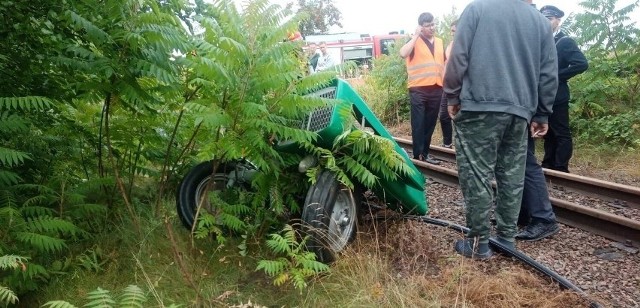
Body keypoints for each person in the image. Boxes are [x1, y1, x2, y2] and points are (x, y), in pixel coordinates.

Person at [444, 0, 558, 259]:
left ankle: (479, 244)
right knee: (512, 176)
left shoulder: (478, 9)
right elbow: (548, 72)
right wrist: (542, 112)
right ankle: (506, 240)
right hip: (520, 110)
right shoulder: (540, 21)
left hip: (477, 106)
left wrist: (452, 95)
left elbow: (458, 55)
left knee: (477, 175)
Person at [539, 5, 589, 173]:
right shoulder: (541, 41)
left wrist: (557, 76)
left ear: (558, 21)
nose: (546, 22)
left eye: (550, 19)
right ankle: (548, 164)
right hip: (542, 94)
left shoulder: (564, 41)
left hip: (558, 95)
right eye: (543, 18)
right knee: (549, 132)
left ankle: (561, 168)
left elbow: (581, 63)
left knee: (561, 132)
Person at [399, 12, 445, 165]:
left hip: (437, 88)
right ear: (420, 27)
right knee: (419, 123)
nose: (432, 27)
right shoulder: (414, 41)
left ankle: (424, 153)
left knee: (430, 123)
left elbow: (442, 64)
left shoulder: (439, 42)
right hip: (418, 89)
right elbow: (402, 53)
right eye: (428, 25)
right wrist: (415, 36)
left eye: (433, 24)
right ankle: (418, 155)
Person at [438, 20, 457, 149]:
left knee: (460, 117)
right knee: (444, 116)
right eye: (451, 31)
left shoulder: (467, 43)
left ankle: (463, 146)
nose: (452, 33)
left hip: (459, 87)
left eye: (454, 31)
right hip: (447, 85)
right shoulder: (450, 45)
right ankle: (447, 144)